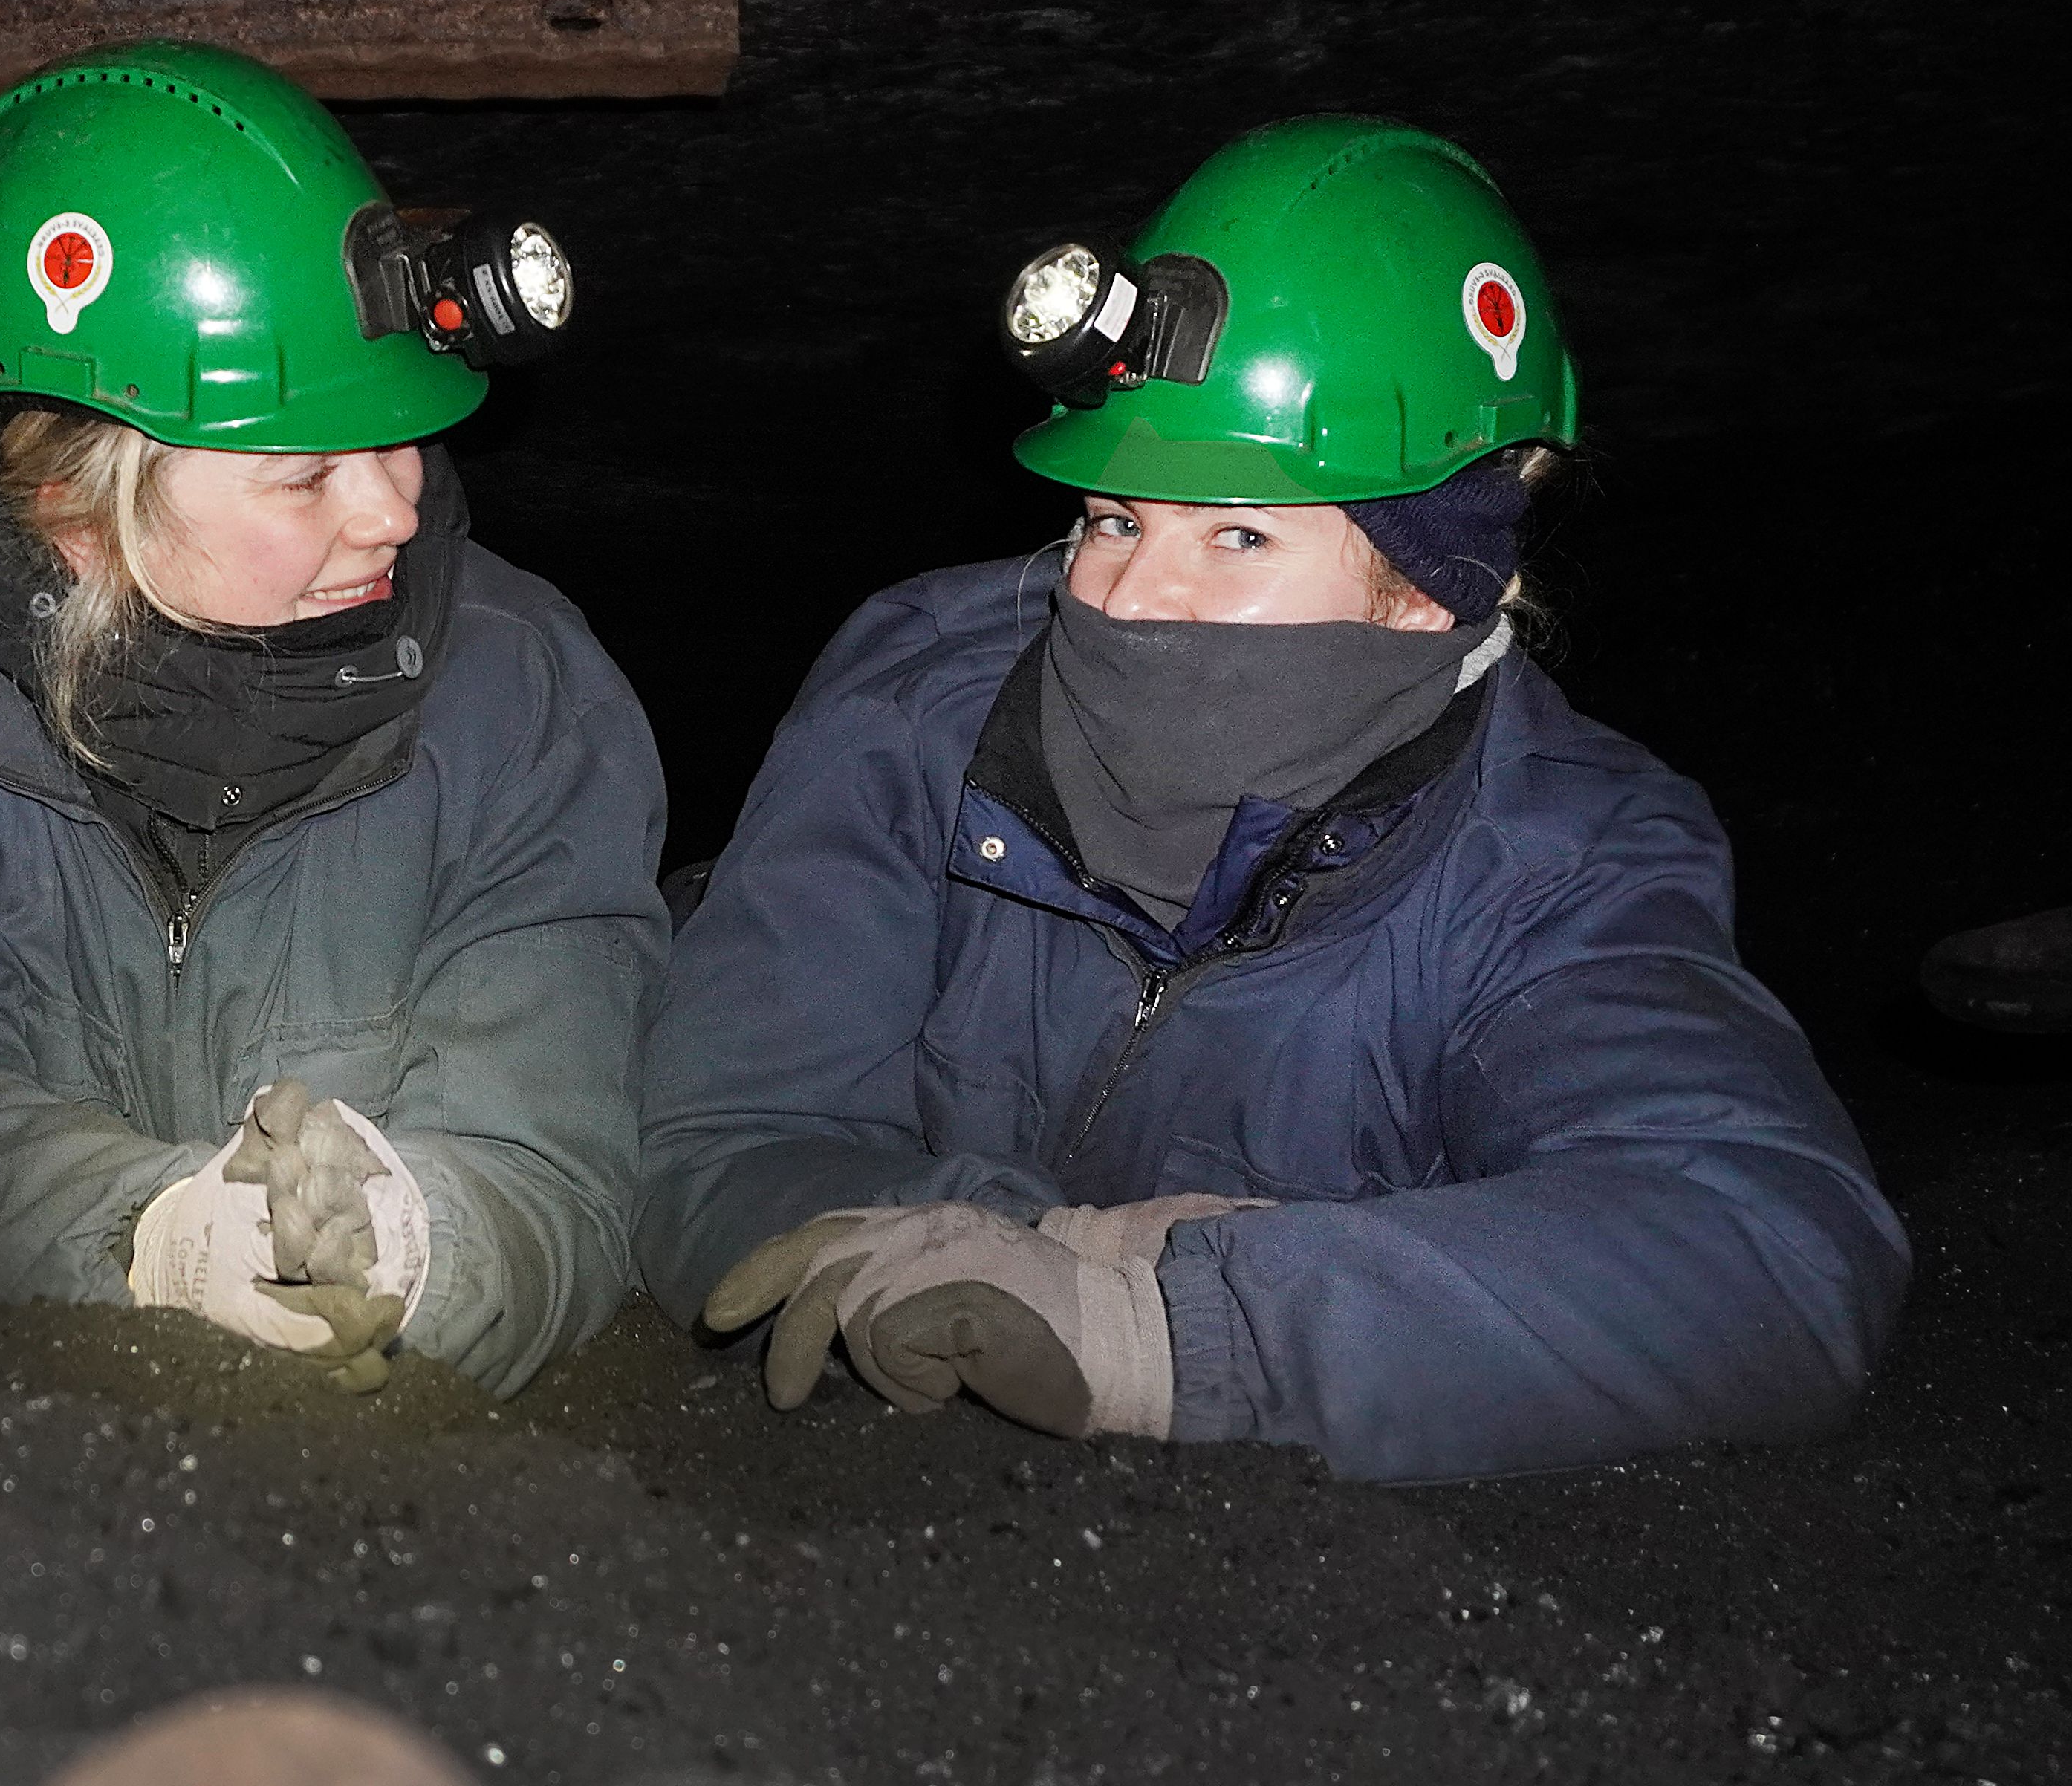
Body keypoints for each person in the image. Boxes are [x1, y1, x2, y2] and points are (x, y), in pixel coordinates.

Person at [640, 116, 1908, 1481]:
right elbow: (728, 1129)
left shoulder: (1563, 856)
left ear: (1428, 585)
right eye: (1113, 519)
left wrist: (1167, 1315)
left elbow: (1769, 1249)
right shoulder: (920, 705)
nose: (1129, 598)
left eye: (1236, 535)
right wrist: (1006, 1243)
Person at [0, 42, 666, 1396]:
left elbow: (556, 1142)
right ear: (78, 509)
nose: (392, 506)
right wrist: (145, 1243)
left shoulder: (524, 694)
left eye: (395, 438)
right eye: (307, 473)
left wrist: (415, 1252)